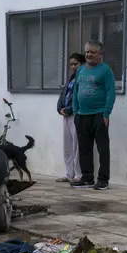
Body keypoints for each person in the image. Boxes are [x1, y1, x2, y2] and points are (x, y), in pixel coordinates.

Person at [71, 40, 116, 190]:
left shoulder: (106, 71)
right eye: (87, 52)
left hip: (99, 115)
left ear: (100, 54)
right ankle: (87, 178)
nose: (89, 54)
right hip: (81, 115)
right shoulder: (80, 70)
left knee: (102, 148)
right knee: (84, 148)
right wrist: (76, 111)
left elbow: (111, 93)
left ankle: (103, 180)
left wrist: (106, 113)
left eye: (93, 52)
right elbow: (76, 91)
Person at [57, 53, 84, 184]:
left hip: (75, 114)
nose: (73, 67)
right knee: (67, 145)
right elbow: (64, 94)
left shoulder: (83, 78)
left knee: (76, 145)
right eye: (71, 64)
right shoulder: (71, 78)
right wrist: (59, 108)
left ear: (82, 64)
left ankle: (78, 174)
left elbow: (80, 98)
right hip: (65, 115)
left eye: (76, 64)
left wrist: (69, 109)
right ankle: (69, 173)